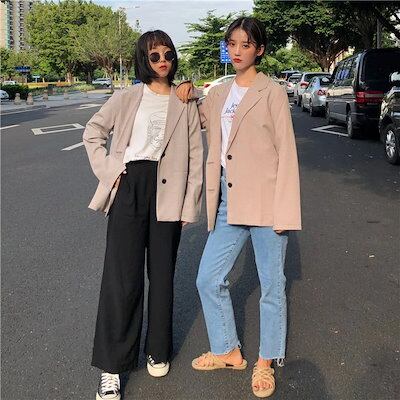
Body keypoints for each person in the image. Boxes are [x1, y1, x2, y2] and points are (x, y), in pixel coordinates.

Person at [176, 17, 301, 398]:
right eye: (232, 44)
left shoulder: (272, 92)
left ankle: (265, 361)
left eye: (246, 45)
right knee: (207, 278)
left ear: (259, 50)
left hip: (265, 202)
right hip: (228, 202)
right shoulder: (219, 93)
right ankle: (227, 350)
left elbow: (287, 153)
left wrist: (285, 213)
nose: (237, 51)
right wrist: (186, 90)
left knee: (271, 287)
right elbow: (195, 118)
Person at [83, 30, 203, 400]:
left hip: (169, 192)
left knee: (163, 275)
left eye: (168, 54)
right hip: (129, 187)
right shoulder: (127, 97)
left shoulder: (185, 100)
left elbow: (196, 156)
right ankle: (112, 368)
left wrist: (190, 203)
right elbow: (93, 132)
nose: (163, 60)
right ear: (143, 59)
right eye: (154, 56)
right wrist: (111, 170)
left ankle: (158, 349)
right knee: (122, 279)